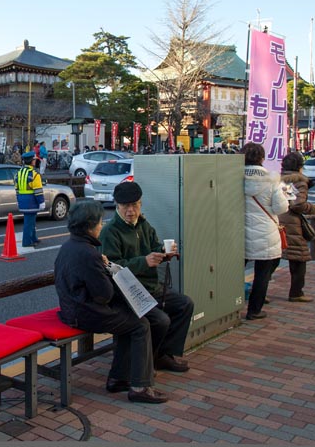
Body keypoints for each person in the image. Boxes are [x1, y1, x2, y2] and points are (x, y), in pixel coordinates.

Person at [54, 200, 167, 404]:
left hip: (73, 308)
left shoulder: (70, 246)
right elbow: (104, 294)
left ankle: (119, 378)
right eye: (99, 222)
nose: (101, 226)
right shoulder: (88, 254)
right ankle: (140, 386)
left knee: (131, 321)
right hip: (85, 313)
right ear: (89, 226)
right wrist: (106, 269)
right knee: (141, 325)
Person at [99, 181, 194, 373]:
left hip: (150, 287)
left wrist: (164, 253)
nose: (131, 211)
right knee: (161, 320)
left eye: (135, 205)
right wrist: (144, 261)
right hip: (129, 292)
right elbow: (111, 267)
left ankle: (162, 355)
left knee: (185, 304)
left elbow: (154, 247)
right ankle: (145, 360)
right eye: (125, 206)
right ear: (117, 205)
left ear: (141, 204)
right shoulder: (110, 232)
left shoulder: (143, 224)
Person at [242, 142, 289, 320]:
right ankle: (254, 310)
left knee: (233, 271)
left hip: (237, 231)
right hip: (265, 231)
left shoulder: (232, 177)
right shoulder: (271, 180)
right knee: (263, 273)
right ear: (262, 158)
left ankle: (228, 305)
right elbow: (281, 207)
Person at [278, 152, 315, 302]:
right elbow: (298, 204)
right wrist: (311, 208)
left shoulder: (278, 180)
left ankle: (259, 291)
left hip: (277, 219)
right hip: (292, 223)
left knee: (273, 258)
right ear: (300, 167)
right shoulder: (300, 181)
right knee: (299, 258)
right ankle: (296, 293)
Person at [16, 153, 45, 247]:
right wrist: (41, 202)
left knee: (31, 220)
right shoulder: (34, 174)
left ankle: (33, 238)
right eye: (34, 159)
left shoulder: (19, 172)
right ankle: (27, 241)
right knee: (29, 222)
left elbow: (16, 188)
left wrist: (18, 199)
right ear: (31, 161)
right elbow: (38, 190)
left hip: (22, 199)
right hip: (31, 201)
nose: (35, 161)